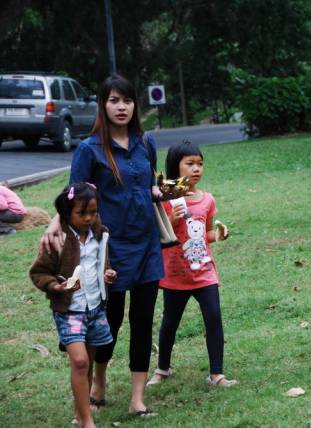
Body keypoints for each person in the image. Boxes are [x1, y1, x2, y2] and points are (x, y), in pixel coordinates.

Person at [40, 74, 163, 417]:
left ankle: (138, 397)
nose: (121, 107)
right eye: (113, 100)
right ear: (103, 105)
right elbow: (72, 195)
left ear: (135, 104)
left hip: (148, 243)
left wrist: (164, 192)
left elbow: (148, 186)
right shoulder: (89, 149)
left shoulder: (146, 143)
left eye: (126, 100)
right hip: (110, 248)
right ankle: (100, 380)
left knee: (143, 319)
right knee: (109, 321)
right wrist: (54, 224)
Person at [146, 141, 238, 387]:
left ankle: (216, 374)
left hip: (204, 273)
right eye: (190, 163)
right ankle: (162, 368)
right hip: (176, 275)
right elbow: (159, 235)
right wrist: (172, 219)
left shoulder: (207, 200)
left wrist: (217, 235)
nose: (196, 169)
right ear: (176, 167)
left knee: (214, 318)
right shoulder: (165, 198)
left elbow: (204, 234)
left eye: (200, 164)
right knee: (169, 323)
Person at [30, 183, 117, 428]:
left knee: (87, 363)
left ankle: (80, 415)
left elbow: (101, 262)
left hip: (94, 307)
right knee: (79, 361)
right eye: (82, 213)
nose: (89, 218)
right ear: (67, 213)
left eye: (93, 212)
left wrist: (107, 273)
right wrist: (57, 287)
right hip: (70, 310)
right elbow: (39, 273)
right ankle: (87, 421)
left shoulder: (100, 232)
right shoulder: (57, 240)